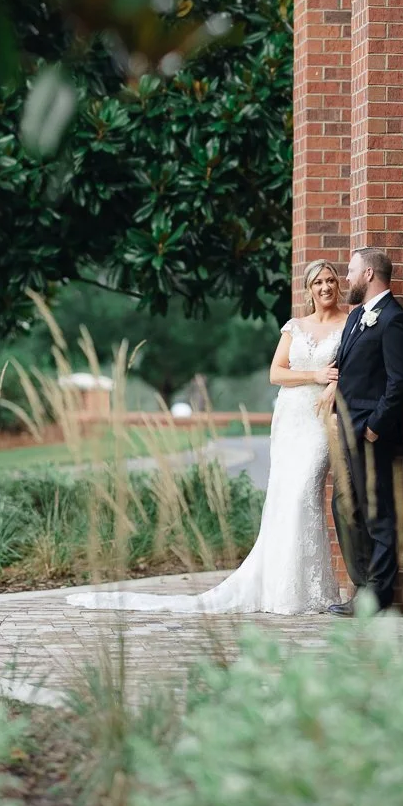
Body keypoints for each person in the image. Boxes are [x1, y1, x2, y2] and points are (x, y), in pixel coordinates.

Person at [66, 260, 346, 617]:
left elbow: (352, 366)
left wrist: (334, 382)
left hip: (318, 422)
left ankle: (306, 587)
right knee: (283, 496)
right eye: (318, 282)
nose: (325, 287)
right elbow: (276, 373)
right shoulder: (295, 326)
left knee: (303, 493)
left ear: (337, 284)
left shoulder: (348, 323)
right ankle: (281, 586)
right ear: (308, 290)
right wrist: (316, 374)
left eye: (330, 281)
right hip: (291, 418)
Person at [326, 246, 403, 615]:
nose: (346, 277)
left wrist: (374, 427)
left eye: (350, 271)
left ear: (369, 275)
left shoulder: (394, 320)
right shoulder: (357, 316)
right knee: (347, 507)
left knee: (378, 514)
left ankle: (378, 597)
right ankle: (363, 588)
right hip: (347, 429)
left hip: (369, 434)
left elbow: (400, 382)